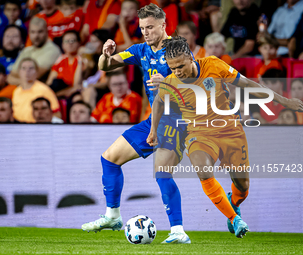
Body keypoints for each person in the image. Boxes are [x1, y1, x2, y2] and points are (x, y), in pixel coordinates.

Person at [147, 36, 303, 238]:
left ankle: (234, 202)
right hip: (198, 134)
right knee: (202, 169)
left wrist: (285, 101)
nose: (177, 72)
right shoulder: (171, 82)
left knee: (243, 187)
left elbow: (247, 84)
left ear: (190, 57)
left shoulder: (213, 65)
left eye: (180, 66)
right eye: (172, 68)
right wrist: (153, 130)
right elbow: (159, 101)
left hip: (230, 131)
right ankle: (235, 219)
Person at [81, 4, 190, 244]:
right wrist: (105, 54)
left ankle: (178, 231)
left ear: (163, 25)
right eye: (142, 28)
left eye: (150, 27)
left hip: (179, 120)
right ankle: (112, 216)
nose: (146, 32)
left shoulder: (177, 48)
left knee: (162, 172)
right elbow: (105, 67)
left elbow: (195, 83)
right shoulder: (141, 50)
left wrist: (169, 82)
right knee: (109, 158)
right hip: (155, 120)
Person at [7, 17, 61, 85]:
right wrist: (25, 82)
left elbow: (36, 75)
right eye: (33, 32)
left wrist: (16, 79)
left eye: (40, 32)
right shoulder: (27, 50)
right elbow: (11, 74)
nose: (36, 36)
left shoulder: (52, 49)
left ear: (47, 32)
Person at [12, 58, 61, 123]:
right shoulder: (16, 91)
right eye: (24, 68)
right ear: (19, 72)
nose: (27, 71)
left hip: (37, 127)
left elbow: (56, 114)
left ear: (36, 71)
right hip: (18, 127)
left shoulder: (44, 90)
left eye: (31, 68)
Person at [46, 30, 82, 95]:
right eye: (66, 41)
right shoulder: (60, 59)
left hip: (72, 94)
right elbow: (49, 82)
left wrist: (57, 95)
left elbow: (77, 86)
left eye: (72, 41)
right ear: (62, 45)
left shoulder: (81, 59)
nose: (70, 44)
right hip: (57, 92)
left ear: (79, 43)